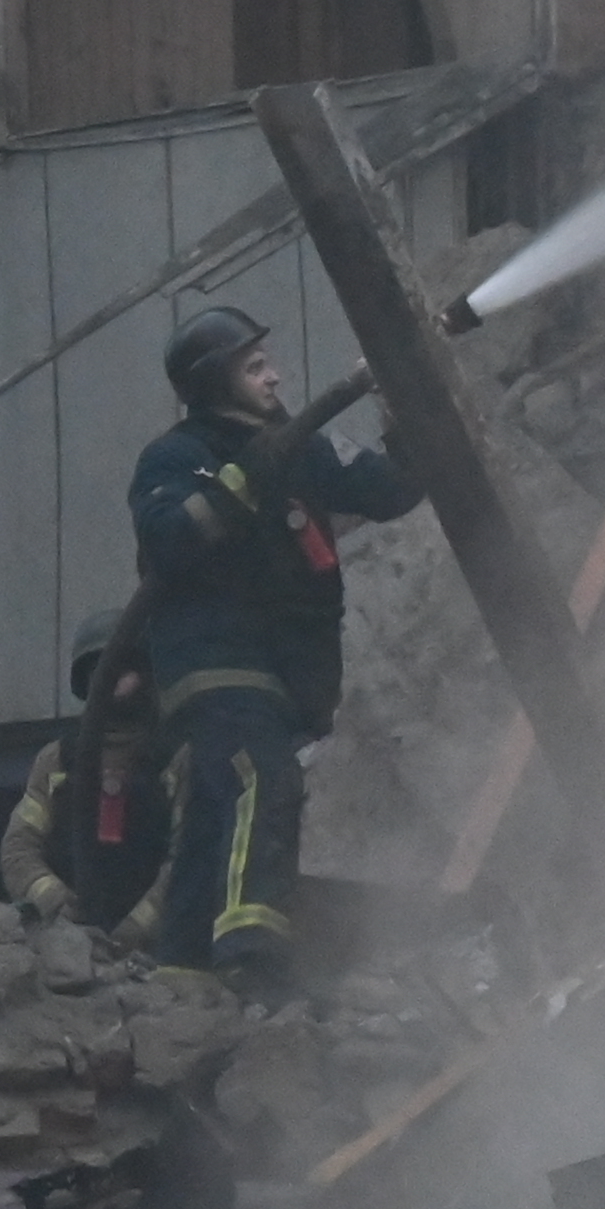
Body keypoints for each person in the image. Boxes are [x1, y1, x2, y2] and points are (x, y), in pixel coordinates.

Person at [124, 305, 418, 991]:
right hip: (215, 663)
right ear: (213, 383)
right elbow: (167, 540)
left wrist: (400, 410)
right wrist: (243, 479)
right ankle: (252, 956)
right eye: (255, 367)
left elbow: (394, 490)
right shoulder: (177, 457)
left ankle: (183, 966)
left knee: (211, 814)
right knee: (266, 777)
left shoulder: (304, 449)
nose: (276, 377)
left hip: (283, 673)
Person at [2, 605, 174, 939]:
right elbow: (18, 849)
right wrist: (55, 900)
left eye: (121, 668)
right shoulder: (58, 760)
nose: (109, 679)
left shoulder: (173, 759)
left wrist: (135, 928)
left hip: (153, 950)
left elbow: (189, 860)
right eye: (99, 668)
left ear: (147, 674)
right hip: (68, 942)